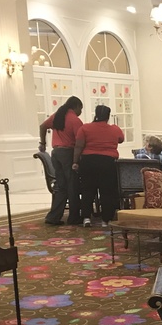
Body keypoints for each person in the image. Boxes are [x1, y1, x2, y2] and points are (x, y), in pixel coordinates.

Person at [72, 105, 124, 228]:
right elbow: (121, 139)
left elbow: (78, 146)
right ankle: (105, 220)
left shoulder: (85, 128)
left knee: (87, 190)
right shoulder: (114, 129)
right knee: (107, 191)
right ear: (108, 116)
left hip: (88, 161)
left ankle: (86, 218)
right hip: (108, 162)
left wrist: (75, 162)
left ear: (95, 114)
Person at [38, 96, 83, 226]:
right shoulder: (75, 120)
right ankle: (74, 217)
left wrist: (43, 143)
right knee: (72, 186)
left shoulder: (57, 116)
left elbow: (42, 126)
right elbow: (80, 142)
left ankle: (53, 217)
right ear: (76, 106)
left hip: (56, 153)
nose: (80, 112)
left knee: (61, 186)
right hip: (68, 154)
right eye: (80, 109)